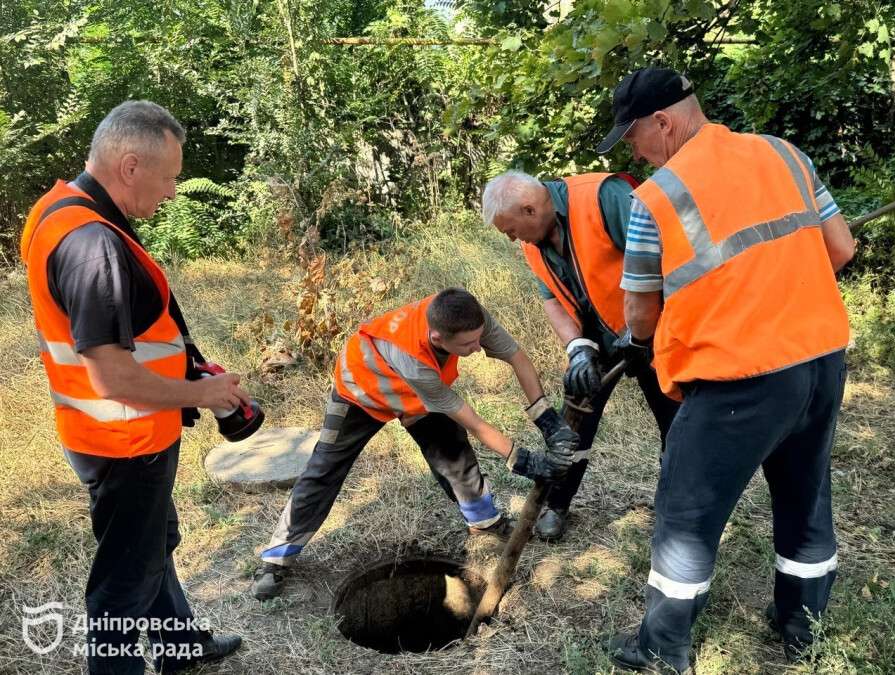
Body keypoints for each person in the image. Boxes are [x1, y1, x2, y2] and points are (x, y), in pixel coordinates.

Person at [595, 67, 856, 673]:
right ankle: (801, 630)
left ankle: (661, 651)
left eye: (632, 137)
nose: (632, 150)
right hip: (819, 361)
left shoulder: (654, 198)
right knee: (806, 496)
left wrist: (638, 343)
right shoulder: (785, 154)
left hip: (737, 380)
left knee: (687, 513)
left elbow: (639, 313)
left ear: (663, 122)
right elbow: (840, 250)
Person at [20, 101, 247, 673]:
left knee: (150, 545)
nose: (172, 192)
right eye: (168, 177)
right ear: (129, 166)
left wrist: (187, 371)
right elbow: (112, 374)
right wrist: (205, 396)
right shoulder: (92, 245)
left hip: (103, 432)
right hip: (126, 438)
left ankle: (180, 648)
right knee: (123, 582)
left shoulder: (58, 208)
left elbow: (126, 341)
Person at [250, 288, 578, 600]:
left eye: (478, 338)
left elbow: (516, 357)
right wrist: (520, 459)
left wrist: (547, 418)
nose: (478, 348)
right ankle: (277, 559)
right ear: (437, 338)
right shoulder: (414, 359)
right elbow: (475, 422)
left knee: (452, 451)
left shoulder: (465, 314)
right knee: (324, 469)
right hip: (361, 392)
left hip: (415, 395)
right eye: (468, 344)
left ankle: (485, 522)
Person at [481, 170, 680, 540]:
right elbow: (552, 299)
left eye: (510, 230)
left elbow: (666, 258)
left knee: (675, 419)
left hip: (654, 331)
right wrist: (578, 350)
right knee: (573, 425)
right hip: (596, 338)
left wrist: (644, 332)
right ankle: (558, 503)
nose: (511, 239)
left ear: (529, 209)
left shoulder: (604, 198)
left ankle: (675, 508)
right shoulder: (532, 239)